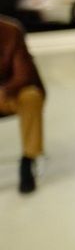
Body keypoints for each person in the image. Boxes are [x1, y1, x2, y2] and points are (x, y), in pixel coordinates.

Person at [0, 15, 45, 193]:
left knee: (31, 96)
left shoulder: (10, 31)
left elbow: (24, 74)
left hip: (9, 94)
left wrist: (4, 90)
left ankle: (28, 159)